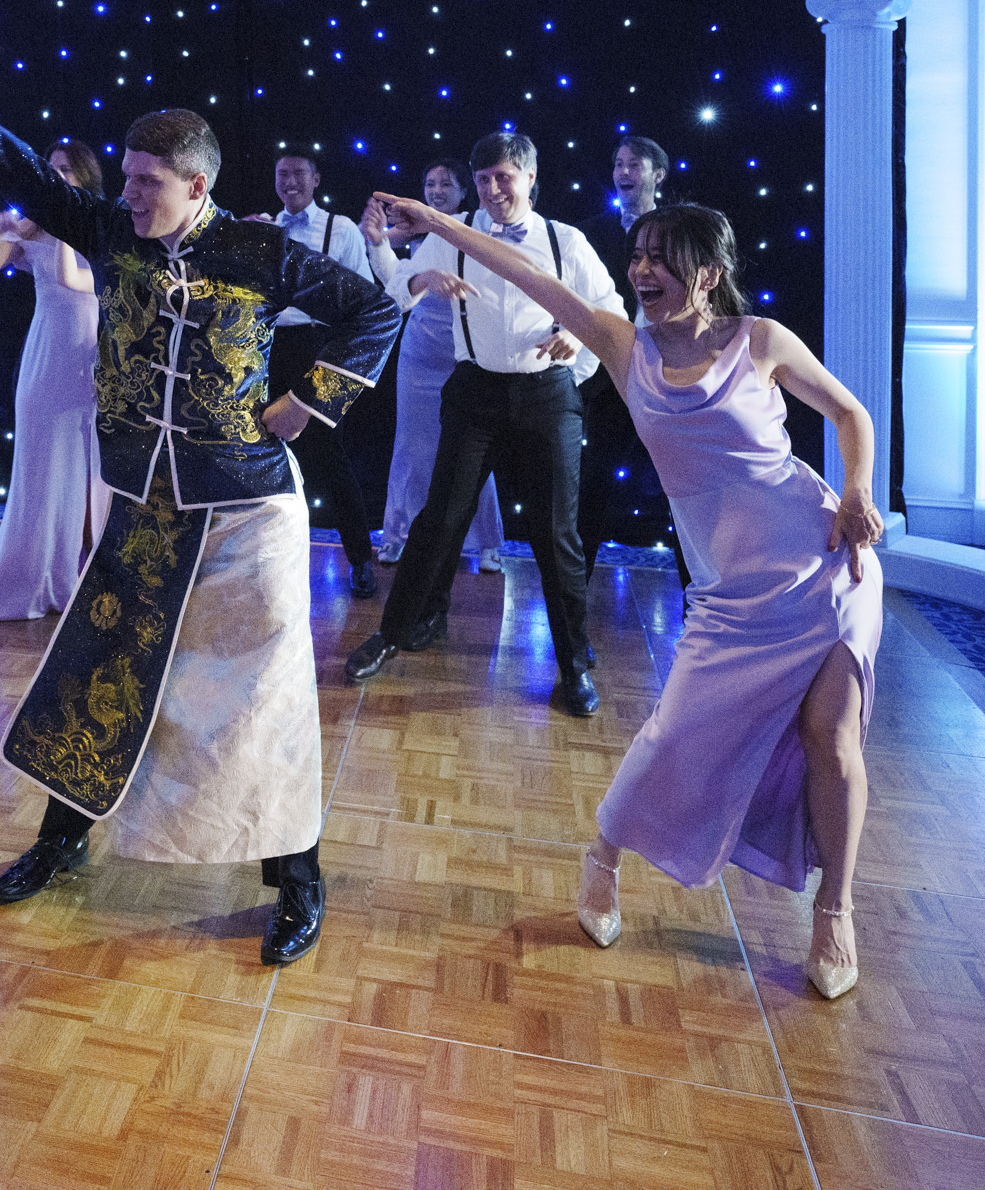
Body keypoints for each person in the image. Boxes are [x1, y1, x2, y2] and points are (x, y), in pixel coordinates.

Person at [0, 27, 402, 966]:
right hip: (145, 502)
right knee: (100, 667)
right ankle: (63, 837)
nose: (131, 193)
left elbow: (375, 310)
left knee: (264, 695)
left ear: (198, 185)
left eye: (151, 181)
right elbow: (31, 180)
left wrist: (310, 401)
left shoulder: (255, 249)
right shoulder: (111, 230)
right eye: (130, 175)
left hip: (246, 506)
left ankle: (297, 877)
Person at [372, 193, 883, 1002]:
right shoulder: (621, 345)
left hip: (824, 565)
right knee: (672, 732)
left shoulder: (763, 343)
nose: (641, 270)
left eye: (661, 258)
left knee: (833, 737)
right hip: (730, 596)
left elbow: (851, 414)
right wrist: (434, 223)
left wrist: (855, 492)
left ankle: (836, 908)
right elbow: (524, 269)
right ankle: (603, 858)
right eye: (637, 254)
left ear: (709, 274)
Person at [345, 132, 625, 717]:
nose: (494, 189)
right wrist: (416, 273)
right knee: (439, 519)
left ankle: (573, 663)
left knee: (556, 534)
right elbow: (400, 289)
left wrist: (575, 335)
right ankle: (394, 631)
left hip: (546, 393)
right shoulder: (455, 234)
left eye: (504, 177)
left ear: (529, 177)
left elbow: (612, 312)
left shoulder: (563, 241)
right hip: (473, 392)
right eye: (485, 179)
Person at [0, 143, 110, 620]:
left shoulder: (100, 226)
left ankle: (86, 571)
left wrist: (42, 226)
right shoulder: (38, 227)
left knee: (90, 471)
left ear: (83, 176)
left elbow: (74, 278)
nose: (56, 177)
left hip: (93, 361)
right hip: (46, 360)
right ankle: (45, 573)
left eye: (65, 171)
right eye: (50, 170)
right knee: (45, 467)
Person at [243, 150, 382, 597]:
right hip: (264, 348)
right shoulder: (265, 227)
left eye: (298, 174)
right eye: (282, 174)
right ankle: (257, 561)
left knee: (330, 458)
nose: (290, 183)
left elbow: (364, 296)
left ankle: (361, 560)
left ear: (316, 178)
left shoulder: (338, 229)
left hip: (314, 346)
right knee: (256, 453)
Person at [363, 159, 506, 573]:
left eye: (447, 183)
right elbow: (397, 285)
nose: (437, 190)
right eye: (430, 183)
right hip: (421, 349)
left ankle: (487, 543)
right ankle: (398, 534)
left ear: (465, 191)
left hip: (469, 350)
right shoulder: (413, 231)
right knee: (411, 445)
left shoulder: (476, 227)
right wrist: (377, 242)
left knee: (472, 450)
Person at [577, 137, 691, 583]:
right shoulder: (589, 233)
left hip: (671, 375)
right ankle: (572, 598)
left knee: (682, 489)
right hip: (613, 377)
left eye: (635, 164)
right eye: (618, 163)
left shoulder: (682, 231)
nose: (624, 171)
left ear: (658, 175)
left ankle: (697, 599)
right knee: (592, 484)